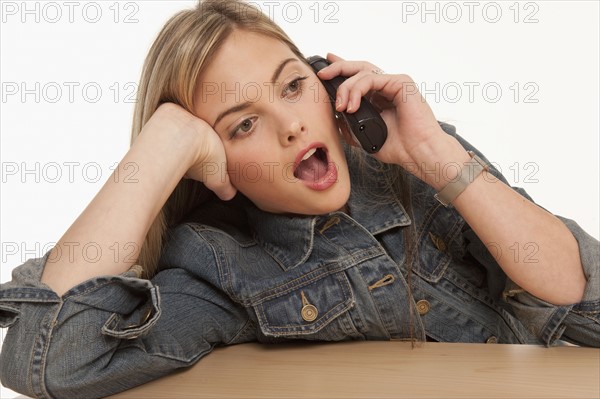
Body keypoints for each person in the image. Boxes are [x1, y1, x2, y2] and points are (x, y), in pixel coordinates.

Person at [1, 0, 598, 397]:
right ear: (209, 165)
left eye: (293, 86)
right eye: (242, 125)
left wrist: (438, 158)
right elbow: (53, 355)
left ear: (327, 84)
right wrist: (161, 144)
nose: (290, 126)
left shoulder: (425, 166)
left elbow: (590, 310)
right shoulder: (220, 261)